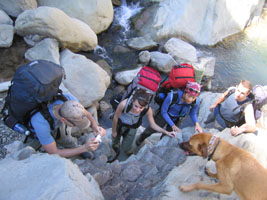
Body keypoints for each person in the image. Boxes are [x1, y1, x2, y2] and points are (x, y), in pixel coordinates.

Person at [30, 93, 106, 158]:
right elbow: (53, 152)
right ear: (63, 120)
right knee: (49, 142)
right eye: (74, 125)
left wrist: (95, 126)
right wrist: (85, 148)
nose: (76, 127)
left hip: (56, 121)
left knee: (65, 138)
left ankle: (70, 145)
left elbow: (86, 113)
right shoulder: (40, 123)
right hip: (41, 128)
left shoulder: (70, 100)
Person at [112, 88, 176, 158]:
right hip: (120, 125)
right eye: (136, 106)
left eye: (141, 107)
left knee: (127, 146)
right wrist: (114, 131)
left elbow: (153, 124)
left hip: (132, 127)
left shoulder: (147, 109)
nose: (137, 110)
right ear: (133, 101)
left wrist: (166, 132)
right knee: (115, 141)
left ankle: (128, 152)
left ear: (145, 106)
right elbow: (115, 117)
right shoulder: (123, 104)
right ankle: (116, 150)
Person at [136, 81, 203, 146]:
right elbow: (163, 111)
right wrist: (172, 125)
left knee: (170, 134)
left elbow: (193, 113)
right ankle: (141, 139)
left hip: (178, 118)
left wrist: (197, 124)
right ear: (185, 92)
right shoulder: (172, 96)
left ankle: (160, 145)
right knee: (153, 128)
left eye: (193, 97)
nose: (190, 99)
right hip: (165, 114)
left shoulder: (196, 101)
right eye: (189, 96)